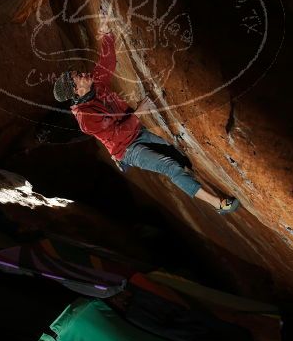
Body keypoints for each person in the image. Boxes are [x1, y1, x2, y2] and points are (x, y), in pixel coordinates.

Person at [52, 17, 240, 215]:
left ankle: (195, 183)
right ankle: (219, 205)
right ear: (76, 91)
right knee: (170, 167)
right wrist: (139, 112)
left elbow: (107, 62)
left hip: (135, 131)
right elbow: (118, 135)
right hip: (126, 149)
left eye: (79, 72)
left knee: (178, 155)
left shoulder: (94, 86)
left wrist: (106, 33)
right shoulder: (86, 118)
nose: (83, 74)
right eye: (78, 76)